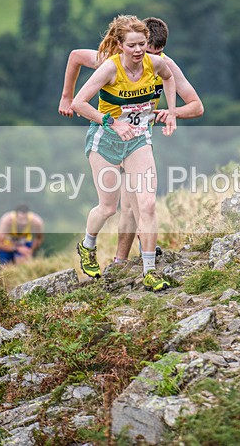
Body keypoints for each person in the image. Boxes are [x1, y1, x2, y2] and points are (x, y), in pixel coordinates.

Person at [59, 17, 204, 264]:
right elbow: (75, 56)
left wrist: (170, 112)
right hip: (110, 136)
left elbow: (196, 106)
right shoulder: (114, 60)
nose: (147, 56)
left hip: (138, 140)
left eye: (156, 52)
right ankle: (120, 260)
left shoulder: (162, 65)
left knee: (138, 206)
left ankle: (126, 261)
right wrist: (66, 97)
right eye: (146, 50)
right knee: (117, 207)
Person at [70, 15, 177, 291]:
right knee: (108, 207)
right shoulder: (109, 69)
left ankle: (150, 271)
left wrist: (172, 112)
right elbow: (79, 103)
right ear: (120, 45)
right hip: (105, 141)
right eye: (132, 45)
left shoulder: (155, 63)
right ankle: (88, 245)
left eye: (142, 44)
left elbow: (169, 77)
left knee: (148, 205)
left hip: (138, 141)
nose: (139, 50)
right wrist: (112, 122)